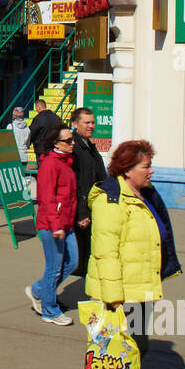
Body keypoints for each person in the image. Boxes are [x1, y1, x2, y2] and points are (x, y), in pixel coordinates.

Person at [87, 139, 183, 369]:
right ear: (127, 170)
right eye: (146, 166)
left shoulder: (144, 195)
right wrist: (114, 296)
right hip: (119, 290)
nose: (151, 171)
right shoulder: (110, 200)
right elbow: (106, 250)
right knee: (125, 348)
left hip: (141, 285)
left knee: (125, 347)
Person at [25, 126, 77, 326]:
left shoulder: (66, 161)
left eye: (72, 139)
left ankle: (38, 290)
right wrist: (56, 225)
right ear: (56, 143)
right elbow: (46, 199)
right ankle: (49, 310)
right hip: (51, 225)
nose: (72, 143)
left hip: (67, 223)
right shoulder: (50, 164)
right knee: (54, 268)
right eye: (68, 140)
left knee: (72, 262)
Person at [69, 108, 108, 277]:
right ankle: (45, 294)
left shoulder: (89, 145)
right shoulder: (74, 148)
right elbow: (78, 184)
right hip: (82, 211)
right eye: (87, 122)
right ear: (75, 124)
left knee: (87, 257)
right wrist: (82, 213)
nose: (91, 126)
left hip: (93, 207)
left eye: (93, 122)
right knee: (75, 260)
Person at [0, 106, 31, 208]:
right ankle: (17, 200)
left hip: (12, 155)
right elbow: (27, 143)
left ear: (13, 115)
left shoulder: (10, 126)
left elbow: (6, 141)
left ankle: (0, 201)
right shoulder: (27, 129)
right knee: (19, 180)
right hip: (23, 156)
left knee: (6, 179)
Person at [28, 97, 62, 167]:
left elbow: (32, 133)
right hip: (55, 150)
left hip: (41, 150)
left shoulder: (38, 119)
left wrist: (28, 143)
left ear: (38, 107)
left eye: (36, 108)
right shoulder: (56, 118)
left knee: (43, 171)